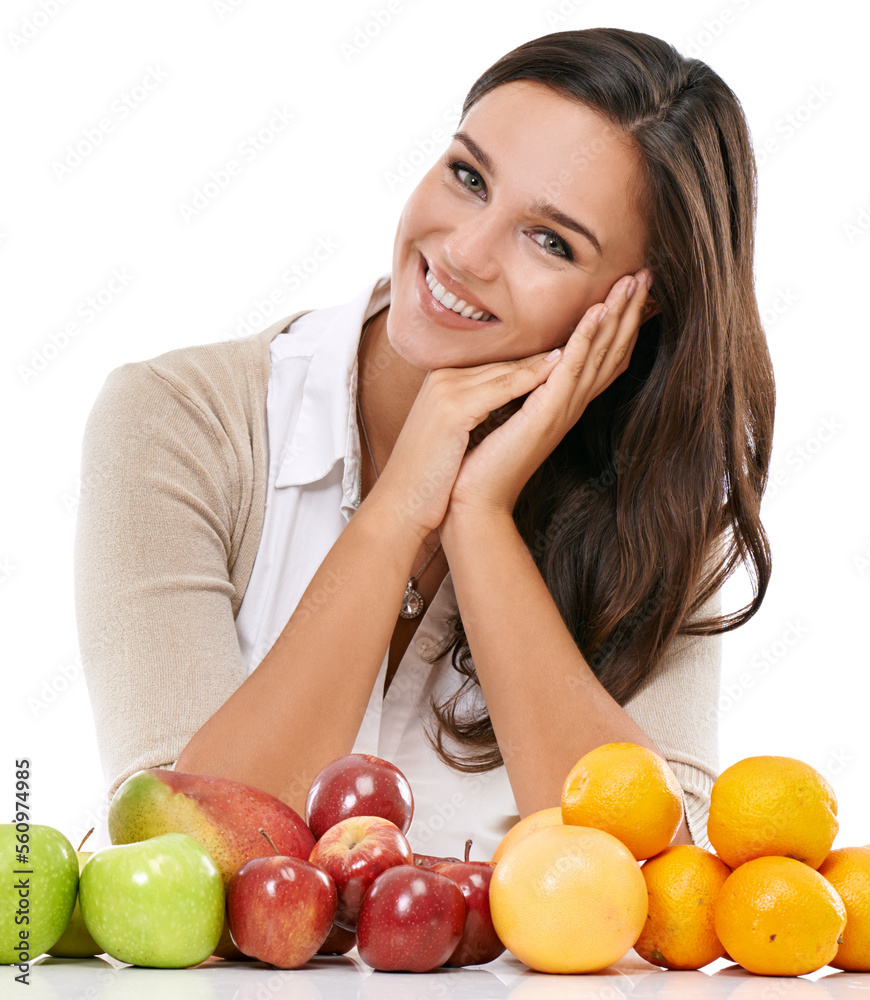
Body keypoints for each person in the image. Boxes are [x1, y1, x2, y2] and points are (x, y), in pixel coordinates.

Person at [74, 27, 774, 860]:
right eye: (467, 176)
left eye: (551, 241)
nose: (465, 252)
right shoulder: (175, 422)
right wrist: (402, 505)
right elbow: (182, 851)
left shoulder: (665, 512)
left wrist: (480, 516)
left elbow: (657, 887)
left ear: (637, 305)